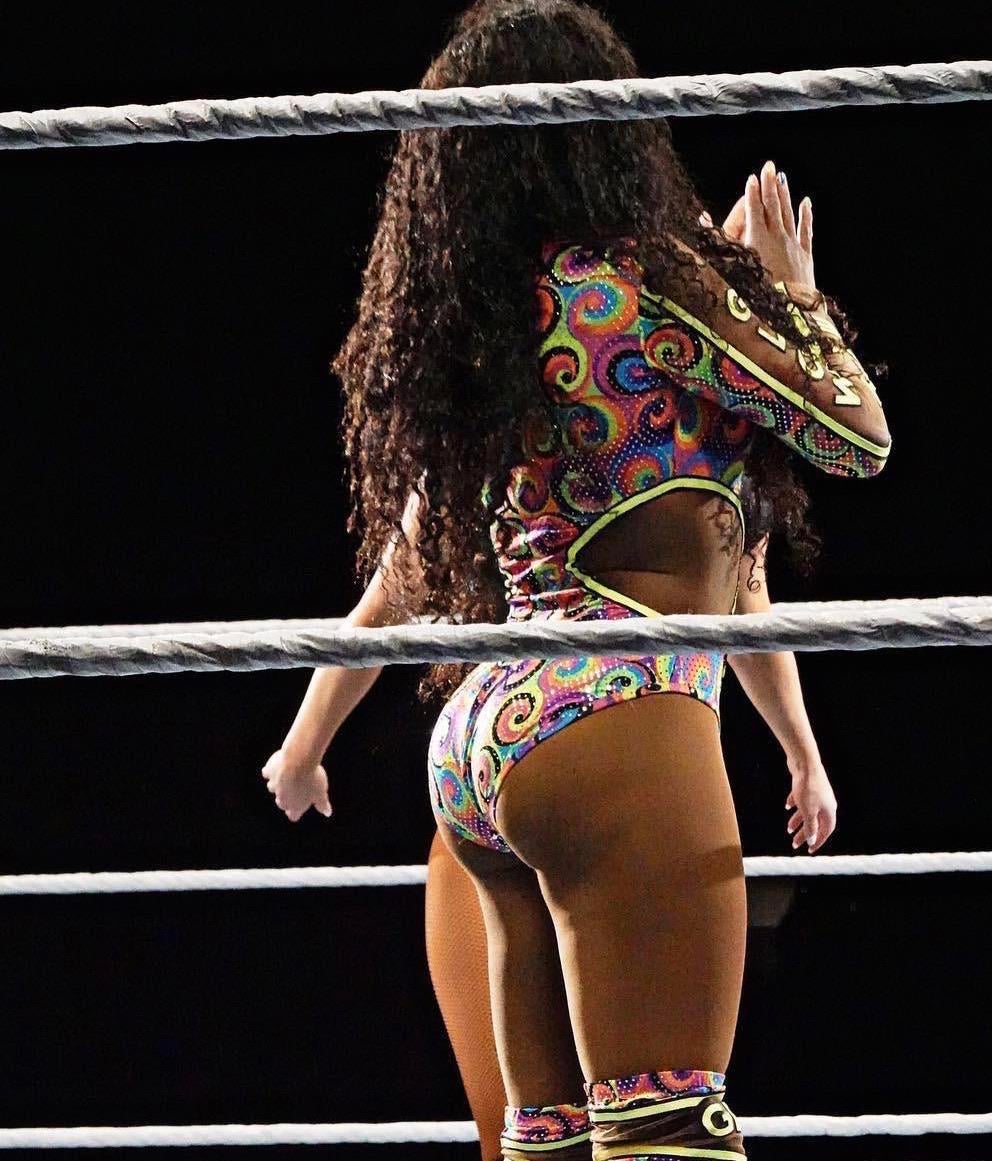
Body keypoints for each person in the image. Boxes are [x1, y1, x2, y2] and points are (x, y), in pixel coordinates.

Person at [260, 2, 891, 1158]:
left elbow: (404, 569)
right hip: (619, 715)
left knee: (544, 1145)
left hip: (486, 737)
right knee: (665, 1137)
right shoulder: (645, 285)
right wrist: (787, 295)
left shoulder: (473, 325)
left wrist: (302, 745)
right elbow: (855, 437)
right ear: (610, 122)